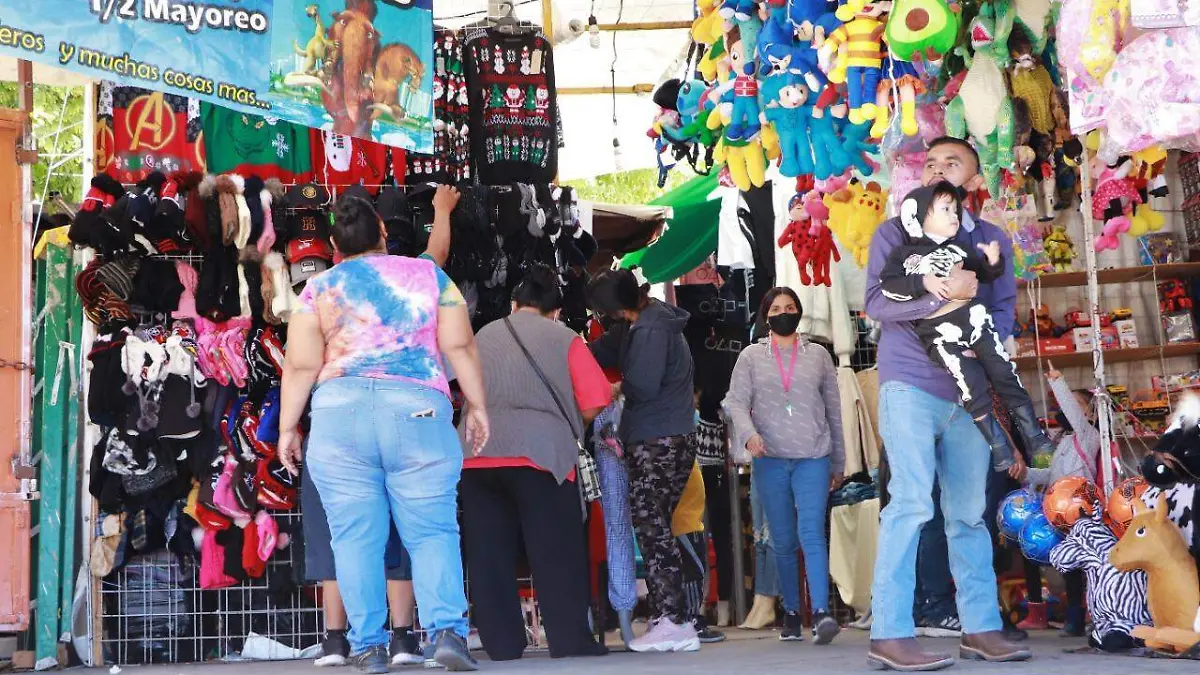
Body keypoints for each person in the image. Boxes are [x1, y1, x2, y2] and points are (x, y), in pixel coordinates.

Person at [277, 194, 489, 673]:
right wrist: (476, 405)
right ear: (384, 233)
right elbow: (458, 343)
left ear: (334, 245)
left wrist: (289, 426)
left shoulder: (317, 290)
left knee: (353, 537)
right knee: (433, 529)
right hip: (417, 409)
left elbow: (302, 363)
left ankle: (369, 646)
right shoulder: (429, 276)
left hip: (339, 415)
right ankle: (447, 633)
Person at [865, 137, 1031, 671]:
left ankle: (979, 627)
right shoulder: (894, 233)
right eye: (930, 162)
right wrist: (938, 294)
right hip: (909, 384)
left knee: (969, 514)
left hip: (970, 394)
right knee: (911, 504)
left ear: (973, 182)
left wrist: (994, 345)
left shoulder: (989, 240)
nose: (937, 169)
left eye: (951, 163)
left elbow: (1003, 305)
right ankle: (889, 632)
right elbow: (873, 303)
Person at [459, 264, 610, 661]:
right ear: (556, 310)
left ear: (513, 304)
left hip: (477, 455)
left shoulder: (481, 335)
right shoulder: (565, 338)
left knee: (488, 553)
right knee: (555, 550)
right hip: (542, 457)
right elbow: (595, 400)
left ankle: (502, 644)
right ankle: (568, 639)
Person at [880, 182, 1054, 471]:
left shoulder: (958, 247)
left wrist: (992, 261)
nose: (954, 216)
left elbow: (982, 272)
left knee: (1004, 372)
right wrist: (923, 282)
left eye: (956, 210)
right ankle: (998, 446)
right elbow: (889, 287)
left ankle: (1034, 436)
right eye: (945, 210)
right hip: (940, 333)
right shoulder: (905, 255)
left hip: (974, 319)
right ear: (919, 216)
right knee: (971, 386)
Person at [723, 287, 845, 645]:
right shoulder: (750, 357)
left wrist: (839, 461)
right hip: (770, 458)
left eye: (790, 307)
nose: (784, 312)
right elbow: (735, 402)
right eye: (776, 308)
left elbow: (834, 412)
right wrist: (749, 436)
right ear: (766, 315)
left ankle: (821, 611)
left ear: (799, 311)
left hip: (813, 456)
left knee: (812, 533)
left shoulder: (819, 355)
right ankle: (792, 611)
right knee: (783, 539)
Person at [587, 269, 699, 653]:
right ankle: (669, 616)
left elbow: (643, 386)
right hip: (670, 435)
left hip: (657, 439)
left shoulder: (649, 330)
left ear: (617, 308)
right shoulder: (650, 320)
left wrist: (617, 388)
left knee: (653, 529)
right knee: (657, 527)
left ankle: (675, 621)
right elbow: (606, 350)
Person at [1012, 362, 1097, 635]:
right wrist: (1026, 473)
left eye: (1076, 403)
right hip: (1059, 509)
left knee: (1076, 566)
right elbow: (1051, 473)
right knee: (1052, 558)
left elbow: (1075, 415)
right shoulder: (1066, 440)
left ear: (1090, 411)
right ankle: (1057, 613)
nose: (1067, 408)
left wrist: (1058, 383)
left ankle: (1077, 616)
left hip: (1080, 508)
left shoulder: (1089, 436)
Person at [592, 394, 639, 647]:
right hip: (606, 411)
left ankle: (630, 614)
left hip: (633, 407)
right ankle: (624, 614)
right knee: (618, 524)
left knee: (627, 524)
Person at [672, 460, 726, 643]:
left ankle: (687, 618)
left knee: (692, 571)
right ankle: (691, 619)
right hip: (684, 523)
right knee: (693, 572)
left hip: (688, 520)